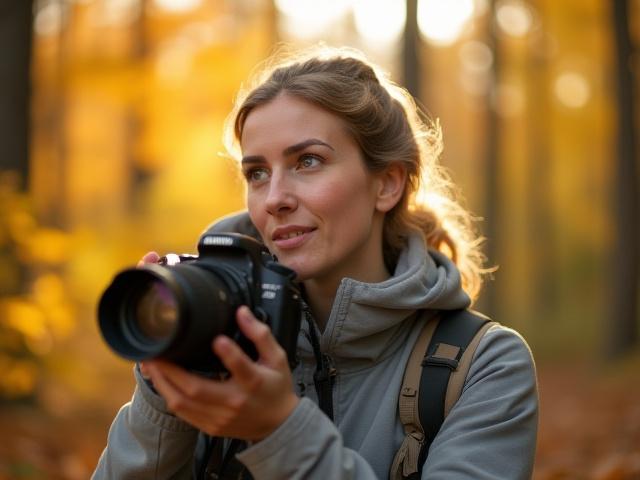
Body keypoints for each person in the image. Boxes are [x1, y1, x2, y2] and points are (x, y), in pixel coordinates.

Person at [93, 45, 538, 479]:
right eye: (257, 173)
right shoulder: (223, 337)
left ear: (387, 184)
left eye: (308, 161)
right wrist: (163, 392)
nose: (274, 200)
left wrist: (279, 432)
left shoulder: (482, 365)